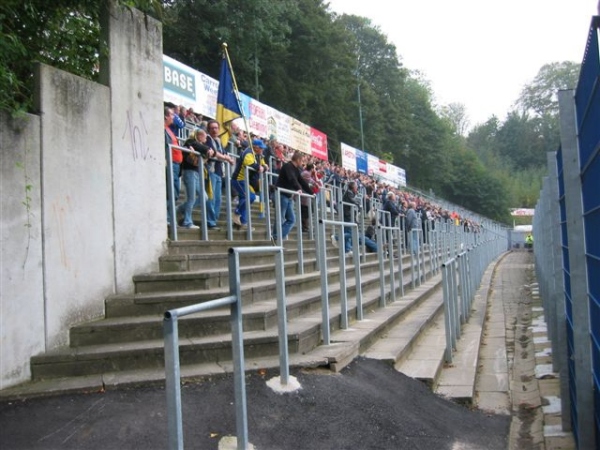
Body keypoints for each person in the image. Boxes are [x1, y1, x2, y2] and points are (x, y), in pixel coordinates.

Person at [176, 129, 216, 229]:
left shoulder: (198, 145)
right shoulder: (190, 142)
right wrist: (208, 150)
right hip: (189, 172)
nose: (206, 139)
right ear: (199, 136)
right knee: (191, 198)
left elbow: (212, 152)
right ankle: (187, 221)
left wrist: (210, 151)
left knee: (204, 197)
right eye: (204, 136)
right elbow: (200, 147)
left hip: (197, 173)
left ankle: (180, 209)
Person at [272, 151, 313, 241]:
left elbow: (302, 181)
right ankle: (276, 237)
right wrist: (298, 188)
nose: (302, 163)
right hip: (282, 195)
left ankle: (276, 237)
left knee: (291, 219)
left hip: (288, 196)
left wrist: (311, 193)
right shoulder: (287, 166)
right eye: (302, 161)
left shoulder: (296, 170)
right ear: (298, 160)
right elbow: (292, 179)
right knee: (280, 217)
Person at [231, 139, 268, 229]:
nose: (262, 150)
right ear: (255, 147)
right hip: (239, 180)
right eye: (261, 148)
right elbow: (251, 165)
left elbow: (265, 166)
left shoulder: (259, 155)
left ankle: (242, 222)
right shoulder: (248, 153)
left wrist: (263, 167)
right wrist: (260, 167)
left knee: (245, 199)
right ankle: (236, 213)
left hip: (247, 181)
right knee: (250, 197)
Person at [332, 181, 377, 254]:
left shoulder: (351, 193)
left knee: (348, 232)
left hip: (348, 215)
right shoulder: (349, 192)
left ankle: (347, 249)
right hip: (347, 216)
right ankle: (336, 237)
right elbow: (353, 202)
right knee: (352, 233)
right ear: (353, 187)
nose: (357, 188)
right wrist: (360, 203)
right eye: (356, 187)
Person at [206, 120, 235, 226]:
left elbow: (223, 152)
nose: (214, 130)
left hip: (219, 172)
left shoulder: (218, 140)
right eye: (212, 128)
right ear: (209, 130)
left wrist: (228, 158)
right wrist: (227, 158)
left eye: (216, 128)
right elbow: (214, 152)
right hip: (210, 171)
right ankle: (210, 221)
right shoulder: (207, 139)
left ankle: (214, 219)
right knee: (211, 198)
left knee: (218, 199)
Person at [165, 106, 182, 226]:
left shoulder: (169, 129)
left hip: (175, 165)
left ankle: (170, 217)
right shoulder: (163, 129)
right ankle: (168, 218)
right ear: (165, 116)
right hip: (170, 164)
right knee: (171, 192)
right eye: (171, 115)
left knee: (174, 192)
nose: (173, 117)